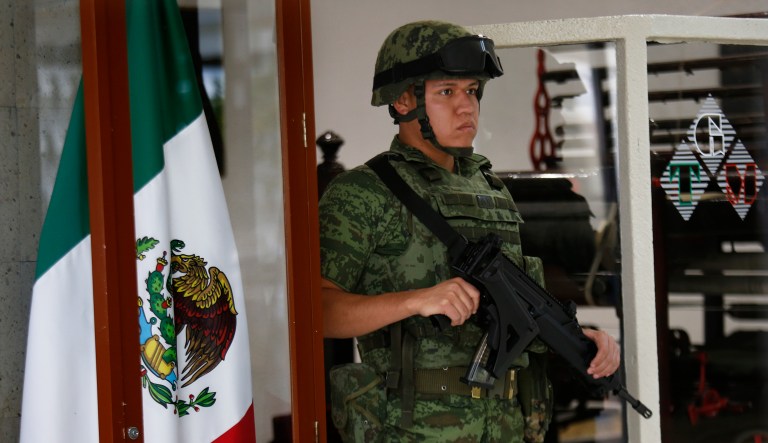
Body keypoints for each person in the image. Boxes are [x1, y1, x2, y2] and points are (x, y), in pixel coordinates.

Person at [319, 20, 621, 443]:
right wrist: (417, 300)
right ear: (404, 100)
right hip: (412, 429)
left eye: (472, 91)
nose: (467, 107)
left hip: (505, 427)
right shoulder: (363, 193)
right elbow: (316, 313)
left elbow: (514, 309)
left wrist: (574, 338)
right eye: (447, 92)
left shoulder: (490, 189)